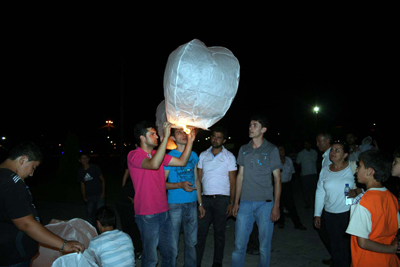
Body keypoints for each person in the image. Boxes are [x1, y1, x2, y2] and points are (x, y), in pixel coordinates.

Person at [0, 141, 84, 266]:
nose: (31, 173)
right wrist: (64, 244)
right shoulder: (13, 183)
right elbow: (26, 224)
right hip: (13, 255)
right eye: (33, 167)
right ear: (23, 160)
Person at [127, 120, 195, 267]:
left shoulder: (158, 154)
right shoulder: (134, 155)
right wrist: (165, 138)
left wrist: (190, 140)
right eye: (152, 134)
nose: (156, 136)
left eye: (157, 134)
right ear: (142, 138)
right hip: (147, 213)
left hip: (164, 211)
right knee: (151, 258)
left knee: (170, 254)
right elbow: (153, 164)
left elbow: (182, 161)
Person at [231, 114, 282, 267]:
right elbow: (239, 176)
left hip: (265, 204)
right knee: (239, 245)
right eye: (250, 125)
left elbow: (277, 179)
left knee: (264, 247)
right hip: (245, 203)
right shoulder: (244, 149)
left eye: (254, 125)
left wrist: (276, 205)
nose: (250, 128)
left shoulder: (271, 149)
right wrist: (235, 202)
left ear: (263, 129)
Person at [345, 150, 400, 266]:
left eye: (359, 166)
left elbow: (363, 243)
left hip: (367, 260)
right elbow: (394, 230)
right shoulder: (392, 197)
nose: (356, 170)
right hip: (388, 261)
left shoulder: (363, 201)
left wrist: (392, 249)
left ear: (369, 171)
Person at [196, 126, 237, 267]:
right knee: (200, 233)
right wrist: (199, 202)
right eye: (214, 136)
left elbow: (233, 181)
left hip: (222, 199)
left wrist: (231, 202)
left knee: (219, 233)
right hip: (205, 199)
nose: (215, 139)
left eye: (219, 137)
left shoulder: (229, 156)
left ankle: (217, 262)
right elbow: (199, 178)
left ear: (224, 140)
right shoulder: (203, 155)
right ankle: (196, 262)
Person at [314, 141, 355, 267]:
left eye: (337, 150)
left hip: (348, 213)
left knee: (348, 246)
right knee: (335, 245)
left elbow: (366, 185)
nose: (333, 152)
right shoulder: (325, 170)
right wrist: (317, 214)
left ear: (345, 155)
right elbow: (320, 192)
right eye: (332, 150)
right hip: (330, 214)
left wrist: (357, 191)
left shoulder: (353, 167)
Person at [164, 127, 200, 267]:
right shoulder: (169, 156)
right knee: (172, 242)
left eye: (184, 132)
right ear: (173, 138)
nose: (183, 134)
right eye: (179, 132)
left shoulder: (194, 155)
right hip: (174, 204)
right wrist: (179, 185)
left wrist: (200, 203)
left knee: (192, 242)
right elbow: (162, 184)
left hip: (192, 203)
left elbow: (197, 179)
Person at [277, 145, 307, 230]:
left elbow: (293, 172)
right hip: (278, 185)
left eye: (282, 149)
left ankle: (297, 223)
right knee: (279, 204)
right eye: (279, 149)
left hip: (288, 184)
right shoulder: (275, 161)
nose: (282, 151)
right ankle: (281, 222)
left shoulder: (289, 160)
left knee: (291, 205)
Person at [315, 131, 333, 265]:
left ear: (327, 141)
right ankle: (335, 256)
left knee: (327, 232)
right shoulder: (325, 156)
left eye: (320, 141)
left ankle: (338, 257)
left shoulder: (331, 156)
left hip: (330, 201)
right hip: (326, 200)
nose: (317, 144)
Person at [78, 152, 106, 227]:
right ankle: (92, 230)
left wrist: (103, 193)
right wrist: (84, 196)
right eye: (82, 158)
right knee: (90, 214)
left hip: (99, 193)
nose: (84, 160)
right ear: (79, 160)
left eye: (86, 158)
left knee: (100, 213)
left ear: (88, 159)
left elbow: (102, 180)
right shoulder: (80, 171)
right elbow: (82, 184)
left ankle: (102, 229)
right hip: (89, 195)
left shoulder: (94, 167)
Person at [296, 141, 318, 208]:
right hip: (305, 175)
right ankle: (308, 203)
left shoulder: (314, 152)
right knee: (306, 190)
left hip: (314, 174)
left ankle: (316, 203)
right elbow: (298, 163)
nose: (307, 145)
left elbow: (316, 161)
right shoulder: (301, 153)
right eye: (305, 144)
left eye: (308, 143)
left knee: (315, 190)